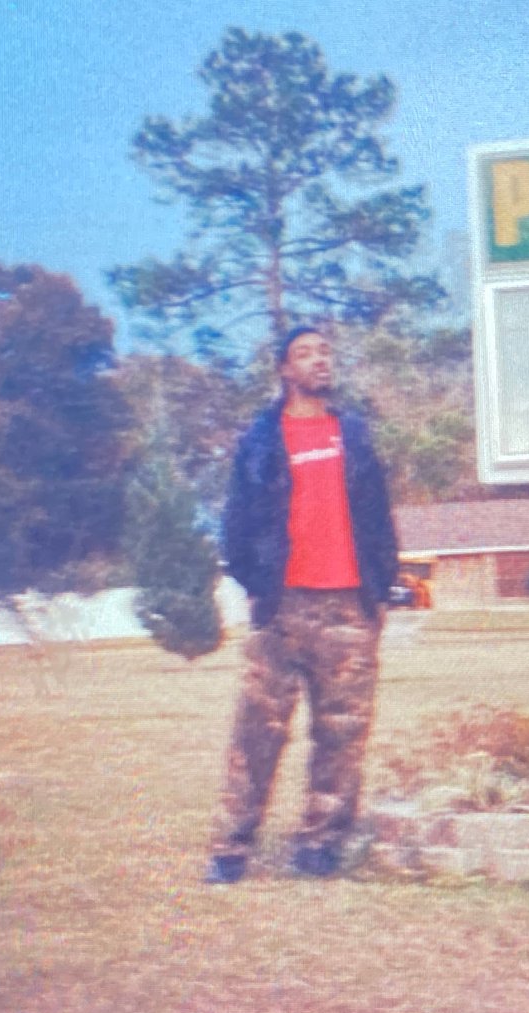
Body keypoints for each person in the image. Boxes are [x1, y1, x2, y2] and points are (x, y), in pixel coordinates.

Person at [204, 326, 399, 883]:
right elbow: (235, 525)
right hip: (281, 608)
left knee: (342, 732)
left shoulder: (352, 434)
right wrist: (260, 584)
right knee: (257, 732)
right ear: (285, 370)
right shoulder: (262, 439)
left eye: (325, 352)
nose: (319, 361)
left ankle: (320, 845)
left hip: (348, 608)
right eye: (305, 354)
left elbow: (379, 518)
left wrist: (378, 589)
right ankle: (230, 849)